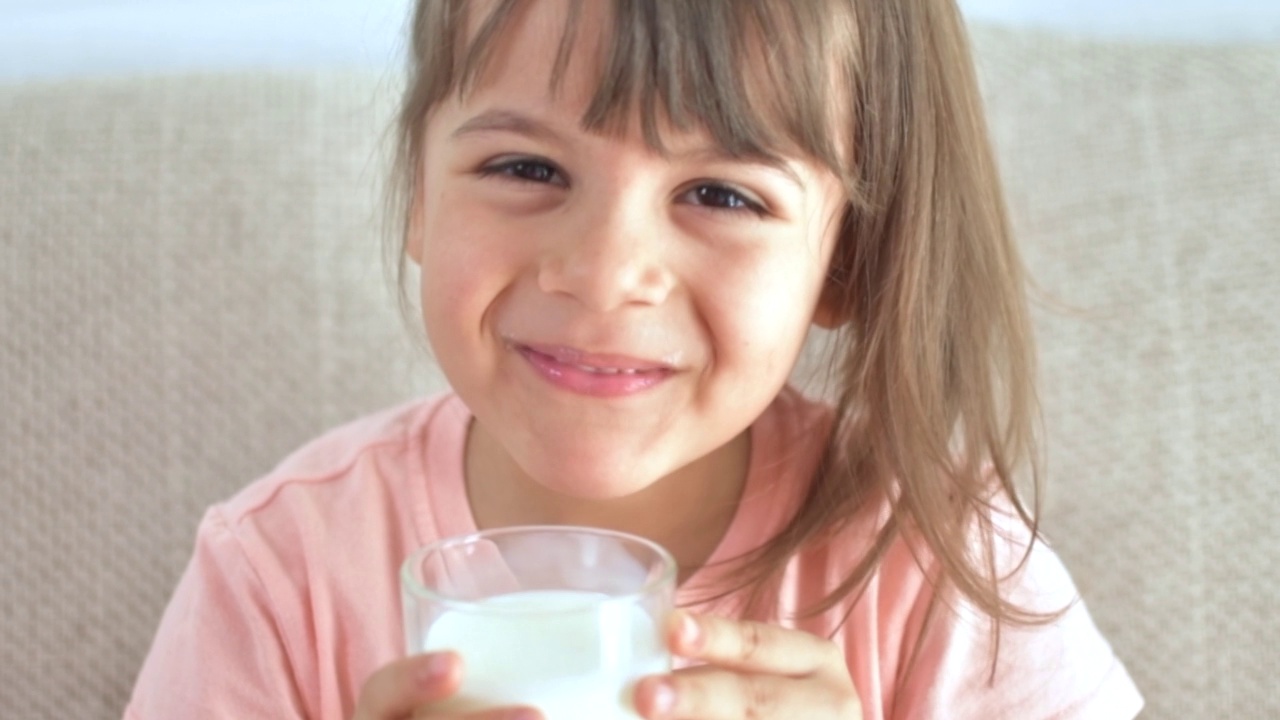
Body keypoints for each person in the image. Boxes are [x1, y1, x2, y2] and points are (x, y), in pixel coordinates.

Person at [126, 1, 1144, 718]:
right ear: (419, 199)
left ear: (847, 262)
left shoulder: (933, 564)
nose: (605, 274)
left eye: (721, 195)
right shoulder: (280, 570)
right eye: (526, 168)